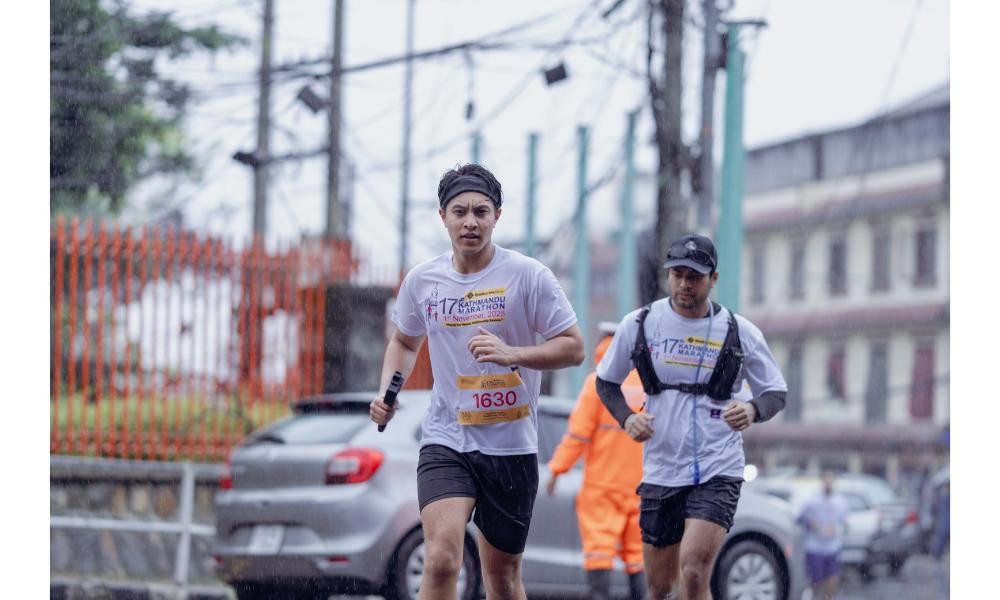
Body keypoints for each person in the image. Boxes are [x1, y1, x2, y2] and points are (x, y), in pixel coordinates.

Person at [370, 163, 585, 600]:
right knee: (441, 561)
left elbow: (574, 347)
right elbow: (405, 342)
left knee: (502, 581)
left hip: (511, 446)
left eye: (481, 212)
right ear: (443, 216)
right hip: (447, 439)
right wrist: (387, 391)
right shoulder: (423, 281)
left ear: (496, 216)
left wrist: (514, 353)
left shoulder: (528, 275)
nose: (470, 222)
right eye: (460, 211)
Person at [594, 233, 788, 600]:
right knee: (660, 588)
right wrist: (627, 418)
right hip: (662, 468)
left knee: (695, 572)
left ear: (714, 279)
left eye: (695, 276)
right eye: (678, 274)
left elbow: (776, 392)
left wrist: (752, 409)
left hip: (719, 466)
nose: (684, 284)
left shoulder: (739, 331)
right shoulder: (640, 323)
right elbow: (605, 382)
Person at [546, 322, 648, 600]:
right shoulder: (647, 384)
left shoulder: (597, 383)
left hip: (602, 486)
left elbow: (578, 435)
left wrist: (556, 469)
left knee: (599, 553)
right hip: (641, 486)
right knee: (638, 557)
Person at [797, 471, 849, 600]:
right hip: (815, 548)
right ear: (823, 482)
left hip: (833, 547)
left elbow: (845, 523)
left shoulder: (840, 502)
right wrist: (812, 524)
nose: (828, 483)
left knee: (832, 580)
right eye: (826, 480)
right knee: (816, 583)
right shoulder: (813, 501)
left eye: (831, 481)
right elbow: (800, 518)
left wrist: (836, 529)